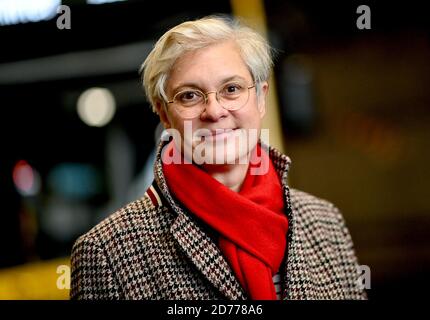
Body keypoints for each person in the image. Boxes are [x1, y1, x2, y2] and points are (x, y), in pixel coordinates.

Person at [70, 15, 367, 300]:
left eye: (232, 89)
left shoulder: (325, 222)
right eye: (189, 95)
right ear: (164, 114)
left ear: (261, 99)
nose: (214, 111)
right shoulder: (107, 252)